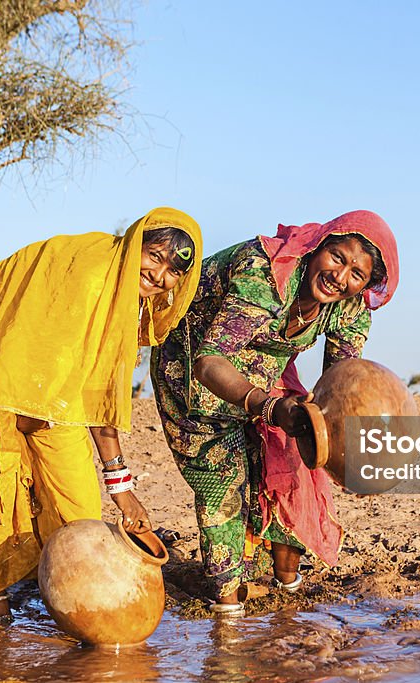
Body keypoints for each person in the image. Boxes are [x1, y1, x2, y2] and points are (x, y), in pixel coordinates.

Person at [0, 207, 202, 624]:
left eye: (173, 271)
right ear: (135, 246)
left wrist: (119, 485)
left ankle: (72, 607)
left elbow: (97, 393)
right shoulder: (91, 273)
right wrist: (120, 487)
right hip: (2, 385)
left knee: (80, 513)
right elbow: (38, 345)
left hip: (59, 406)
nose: (160, 275)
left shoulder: (124, 301)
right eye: (155, 256)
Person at [150, 210, 399, 613]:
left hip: (265, 369)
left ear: (366, 285)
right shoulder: (265, 274)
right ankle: (226, 604)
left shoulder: (350, 310)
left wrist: (354, 447)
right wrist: (267, 406)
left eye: (357, 274)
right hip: (194, 362)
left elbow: (341, 384)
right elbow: (210, 362)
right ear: (318, 247)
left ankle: (287, 583)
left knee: (294, 465)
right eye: (338, 257)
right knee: (223, 475)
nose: (341, 276)